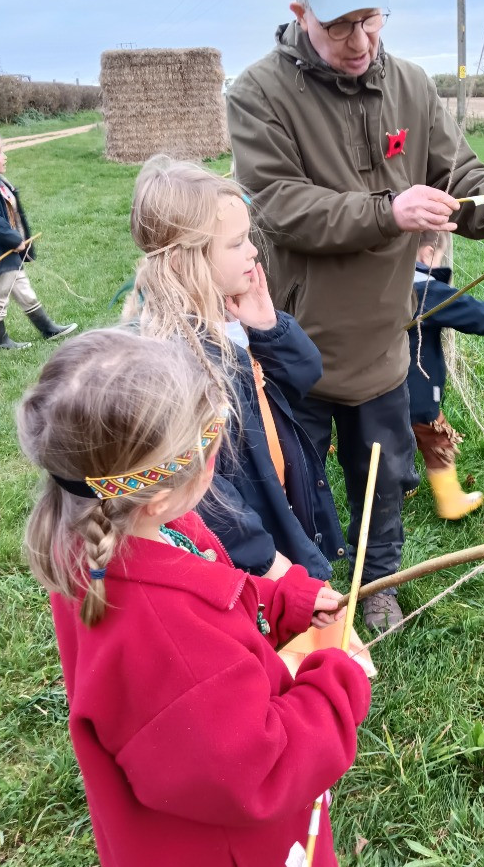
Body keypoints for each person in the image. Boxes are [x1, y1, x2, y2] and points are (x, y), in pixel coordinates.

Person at [227, 0, 484, 631]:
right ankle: (308, 592)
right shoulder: (255, 93)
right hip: (294, 341)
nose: (360, 42)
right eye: (340, 25)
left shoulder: (407, 83)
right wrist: (389, 209)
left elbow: (457, 177)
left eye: (370, 21)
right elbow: (280, 205)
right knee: (295, 477)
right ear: (299, 14)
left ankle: (379, 582)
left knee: (384, 471)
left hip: (383, 331)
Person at [17, 328, 371, 867]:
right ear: (161, 490)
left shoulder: (106, 531)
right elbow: (259, 771)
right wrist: (336, 679)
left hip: (177, 837)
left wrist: (284, 603)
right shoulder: (169, 641)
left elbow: (215, 590)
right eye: (210, 442)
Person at [124, 155, 345, 582]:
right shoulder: (177, 360)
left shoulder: (230, 317)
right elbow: (201, 493)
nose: (253, 251)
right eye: (236, 243)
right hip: (244, 548)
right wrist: (266, 560)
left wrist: (268, 326)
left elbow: (304, 377)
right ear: (181, 261)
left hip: (275, 499)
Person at [408, 230, 484, 519]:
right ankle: (450, 502)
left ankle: (394, 484)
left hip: (379, 384)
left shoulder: (384, 282)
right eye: (439, 256)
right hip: (416, 389)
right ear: (426, 255)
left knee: (387, 436)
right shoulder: (425, 290)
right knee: (437, 439)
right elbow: (467, 310)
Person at [0, 126, 76, 349]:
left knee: (25, 291)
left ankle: (48, 329)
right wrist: (13, 239)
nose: (4, 156)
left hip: (8, 255)